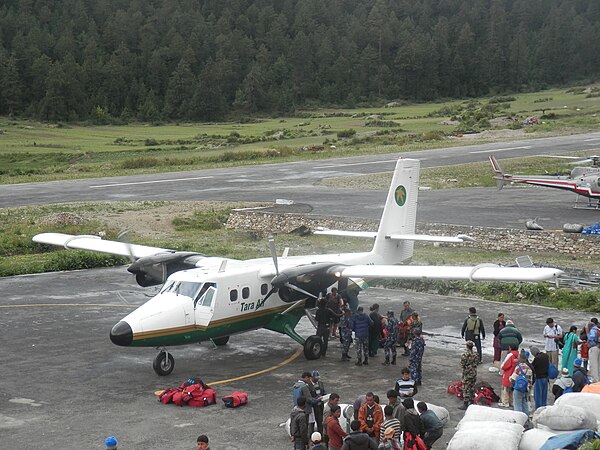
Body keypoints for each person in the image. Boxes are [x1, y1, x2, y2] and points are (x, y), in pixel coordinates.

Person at [510, 349, 533, 416]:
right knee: (525, 404)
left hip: (518, 389)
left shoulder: (518, 368)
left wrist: (510, 380)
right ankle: (526, 418)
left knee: (517, 405)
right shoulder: (529, 368)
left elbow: (513, 378)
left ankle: (518, 419)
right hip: (526, 389)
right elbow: (530, 380)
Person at [459, 340, 478, 410]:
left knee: (466, 388)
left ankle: (465, 403)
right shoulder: (476, 354)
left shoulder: (465, 355)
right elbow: (477, 362)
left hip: (467, 373)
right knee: (472, 387)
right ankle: (472, 401)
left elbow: (462, 364)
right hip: (474, 372)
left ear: (467, 346)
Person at [311, 370, 326, 434]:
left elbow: (323, 391)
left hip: (320, 404)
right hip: (313, 406)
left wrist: (325, 396)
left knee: (320, 420)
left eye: (318, 378)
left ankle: (320, 433)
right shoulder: (309, 385)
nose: (317, 380)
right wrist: (316, 399)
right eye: (315, 378)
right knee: (312, 421)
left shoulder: (320, 383)